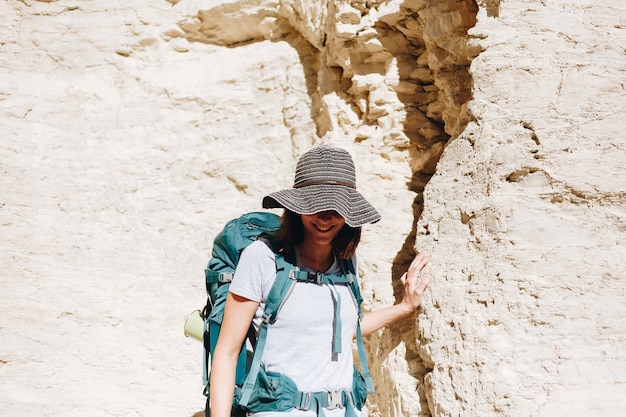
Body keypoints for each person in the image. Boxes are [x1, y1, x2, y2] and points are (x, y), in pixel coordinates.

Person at [209, 145, 432, 417]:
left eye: (336, 208)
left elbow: (339, 329)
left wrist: (404, 307)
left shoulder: (347, 262)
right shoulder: (262, 258)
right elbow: (227, 353)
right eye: (315, 206)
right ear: (296, 207)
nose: (326, 218)